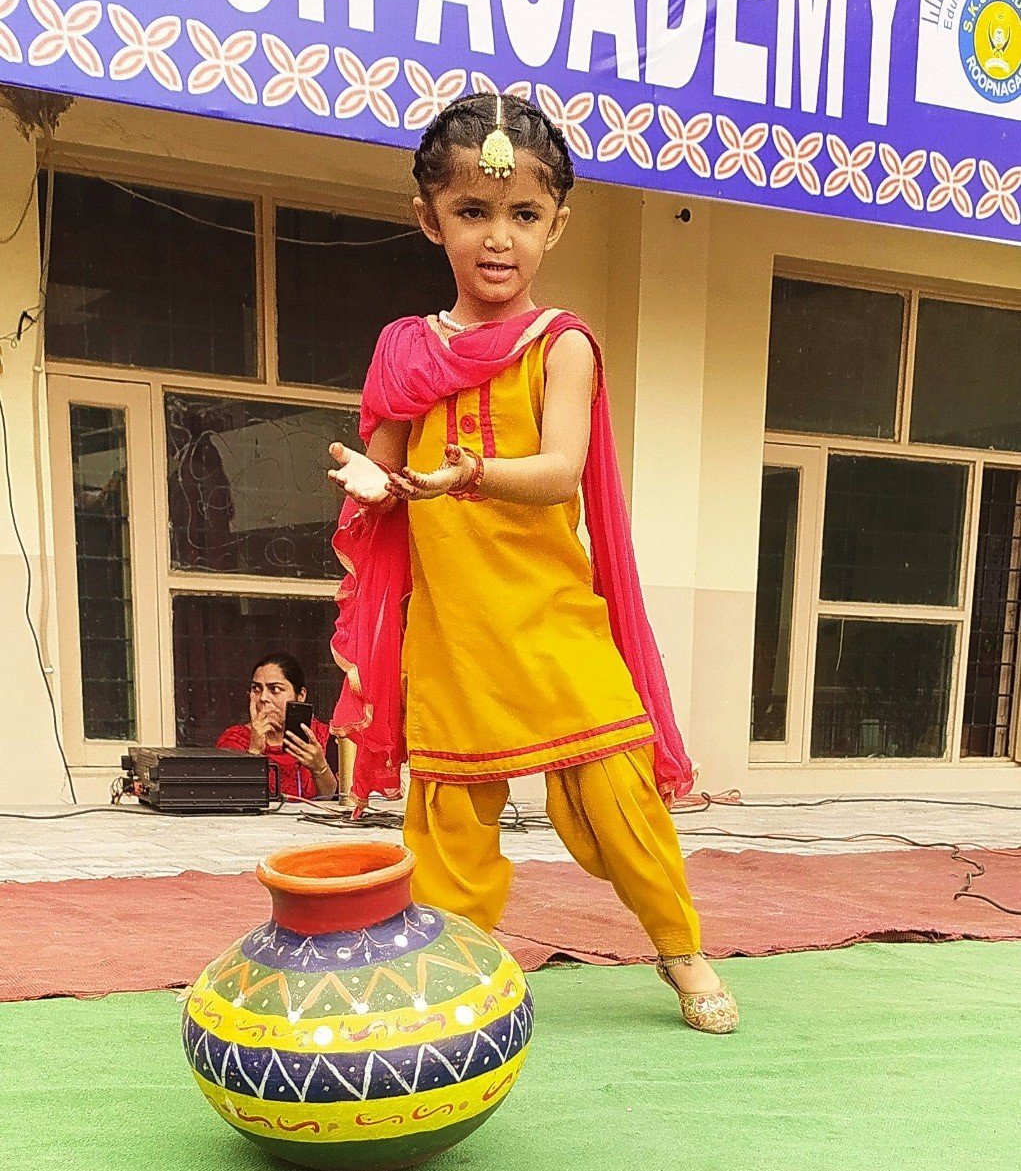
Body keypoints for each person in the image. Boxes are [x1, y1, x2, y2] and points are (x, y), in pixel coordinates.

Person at [327, 94, 737, 1033]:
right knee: (450, 822)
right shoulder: (404, 349)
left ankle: (681, 950)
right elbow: (385, 471)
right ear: (428, 218)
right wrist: (369, 482)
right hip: (454, 631)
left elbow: (558, 473)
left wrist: (469, 475)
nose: (498, 237)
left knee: (618, 793)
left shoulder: (561, 344)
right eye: (472, 211)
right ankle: (451, 977)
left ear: (557, 223)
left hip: (553, 620)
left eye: (522, 213)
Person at [216, 652, 337, 800]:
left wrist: (320, 768)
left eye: (275, 689)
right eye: (256, 689)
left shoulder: (321, 737)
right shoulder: (234, 741)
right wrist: (254, 752)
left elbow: (334, 800)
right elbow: (232, 799)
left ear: (300, 696)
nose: (263, 698)